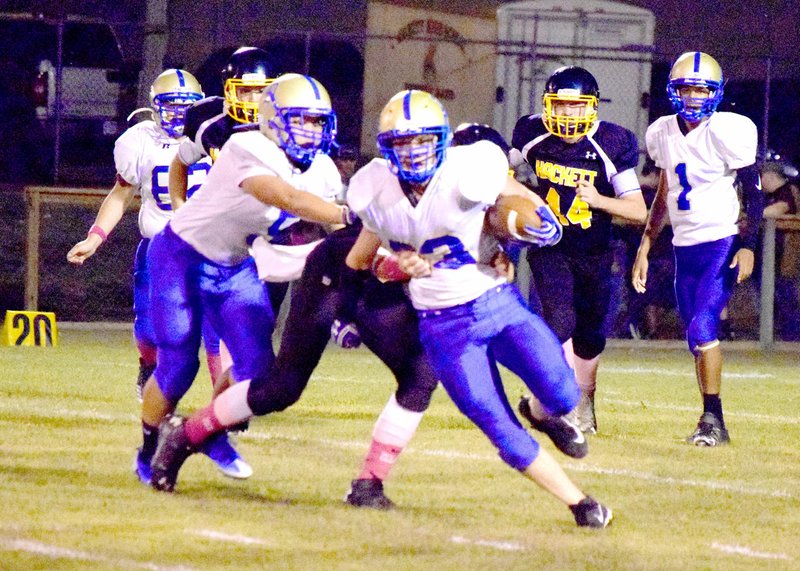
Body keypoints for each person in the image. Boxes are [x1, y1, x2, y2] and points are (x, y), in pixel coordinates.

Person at [340, 90, 611, 528]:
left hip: (496, 305)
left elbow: (511, 198)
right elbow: (362, 261)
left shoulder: (468, 168)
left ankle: (542, 413)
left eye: (422, 141)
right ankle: (579, 503)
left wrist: (531, 218)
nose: (413, 153)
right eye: (403, 144)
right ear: (388, 148)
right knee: (496, 424)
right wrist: (396, 266)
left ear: (442, 140)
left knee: (564, 394)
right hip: (443, 328)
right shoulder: (375, 190)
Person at [136, 72, 350, 489]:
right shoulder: (245, 145)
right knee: (178, 364)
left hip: (234, 265)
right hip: (180, 256)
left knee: (257, 367)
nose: (310, 130)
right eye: (300, 119)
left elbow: (314, 231)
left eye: (317, 121)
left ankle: (207, 432)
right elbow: (284, 198)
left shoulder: (323, 169)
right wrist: (345, 214)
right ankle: (147, 450)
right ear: (272, 119)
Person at [64, 69, 246, 481]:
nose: (180, 114)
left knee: (221, 333)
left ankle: (224, 414)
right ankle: (151, 378)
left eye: (188, 106)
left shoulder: (221, 133)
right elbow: (121, 193)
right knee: (151, 338)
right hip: (161, 249)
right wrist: (95, 237)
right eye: (172, 106)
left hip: (212, 246)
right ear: (154, 106)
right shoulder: (138, 143)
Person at [632, 51, 764, 446]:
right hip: (683, 247)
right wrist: (646, 241)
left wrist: (748, 245)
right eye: (686, 88)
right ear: (674, 91)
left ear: (716, 93)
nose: (692, 97)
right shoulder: (661, 132)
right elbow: (664, 192)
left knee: (706, 326)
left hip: (720, 243)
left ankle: (713, 420)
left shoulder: (727, 130)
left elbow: (753, 191)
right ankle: (710, 417)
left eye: (701, 89)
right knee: (695, 336)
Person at [511, 66, 647, 434]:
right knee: (558, 320)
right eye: (561, 105)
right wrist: (523, 198)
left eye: (576, 106)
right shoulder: (531, 134)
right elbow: (497, 172)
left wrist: (601, 200)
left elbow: (638, 210)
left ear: (591, 107)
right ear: (547, 106)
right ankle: (553, 397)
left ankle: (585, 400)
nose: (568, 114)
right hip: (551, 246)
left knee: (591, 337)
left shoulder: (611, 143)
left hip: (595, 252)